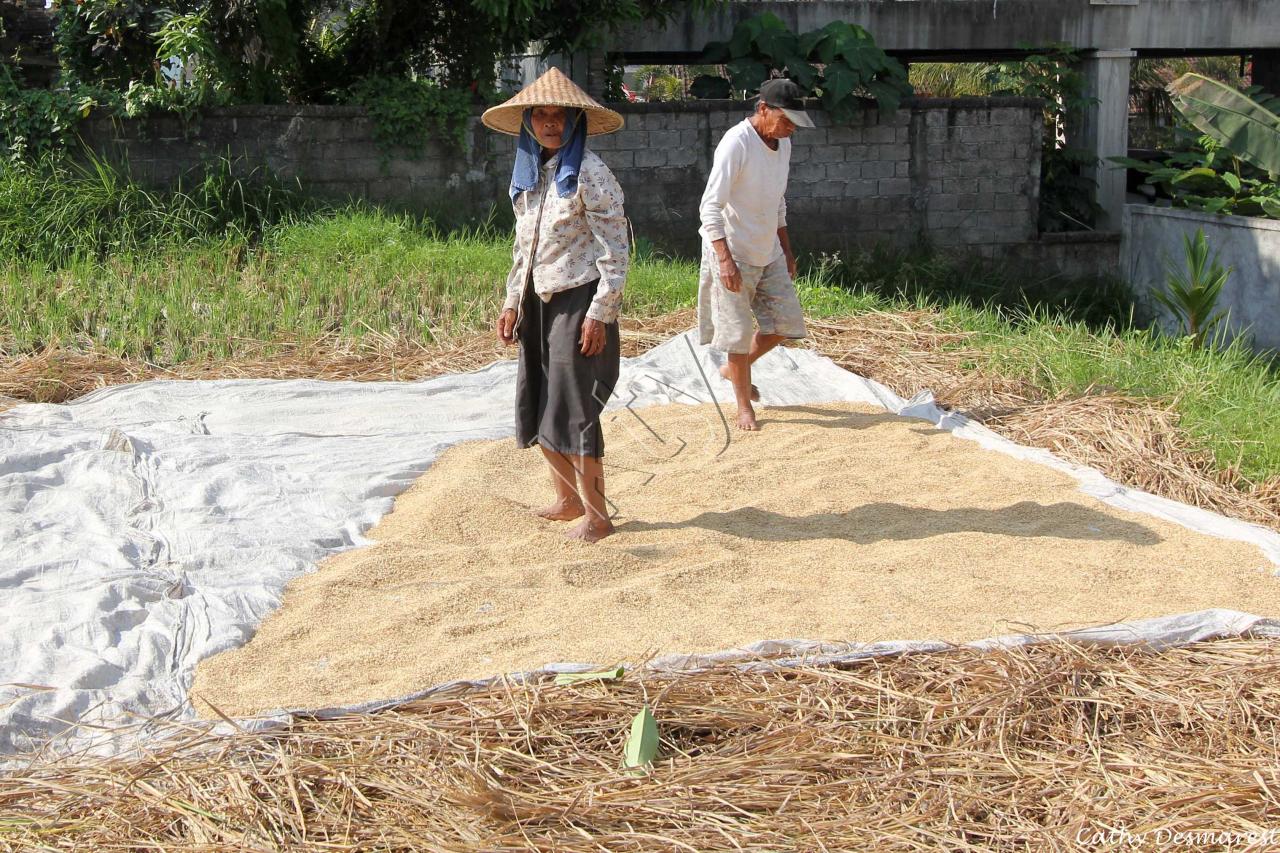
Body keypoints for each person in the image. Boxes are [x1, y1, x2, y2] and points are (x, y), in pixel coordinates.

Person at [482, 67, 629, 543]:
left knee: (574, 406)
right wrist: (510, 302)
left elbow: (615, 249)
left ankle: (598, 516)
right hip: (536, 298)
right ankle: (567, 500)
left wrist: (600, 312)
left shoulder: (591, 173)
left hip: (579, 297)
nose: (550, 124)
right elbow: (523, 247)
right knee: (539, 397)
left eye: (559, 116)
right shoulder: (527, 177)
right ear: (527, 122)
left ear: (574, 121)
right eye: (540, 116)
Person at [698, 78, 815, 431]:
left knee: (785, 325)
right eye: (786, 119)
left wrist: (787, 249)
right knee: (736, 331)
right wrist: (724, 259)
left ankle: (734, 371)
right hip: (732, 249)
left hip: (768, 249)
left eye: (795, 122)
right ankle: (743, 404)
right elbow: (710, 206)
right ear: (763, 109)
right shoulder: (737, 143)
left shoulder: (783, 143)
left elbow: (777, 200)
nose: (791, 128)